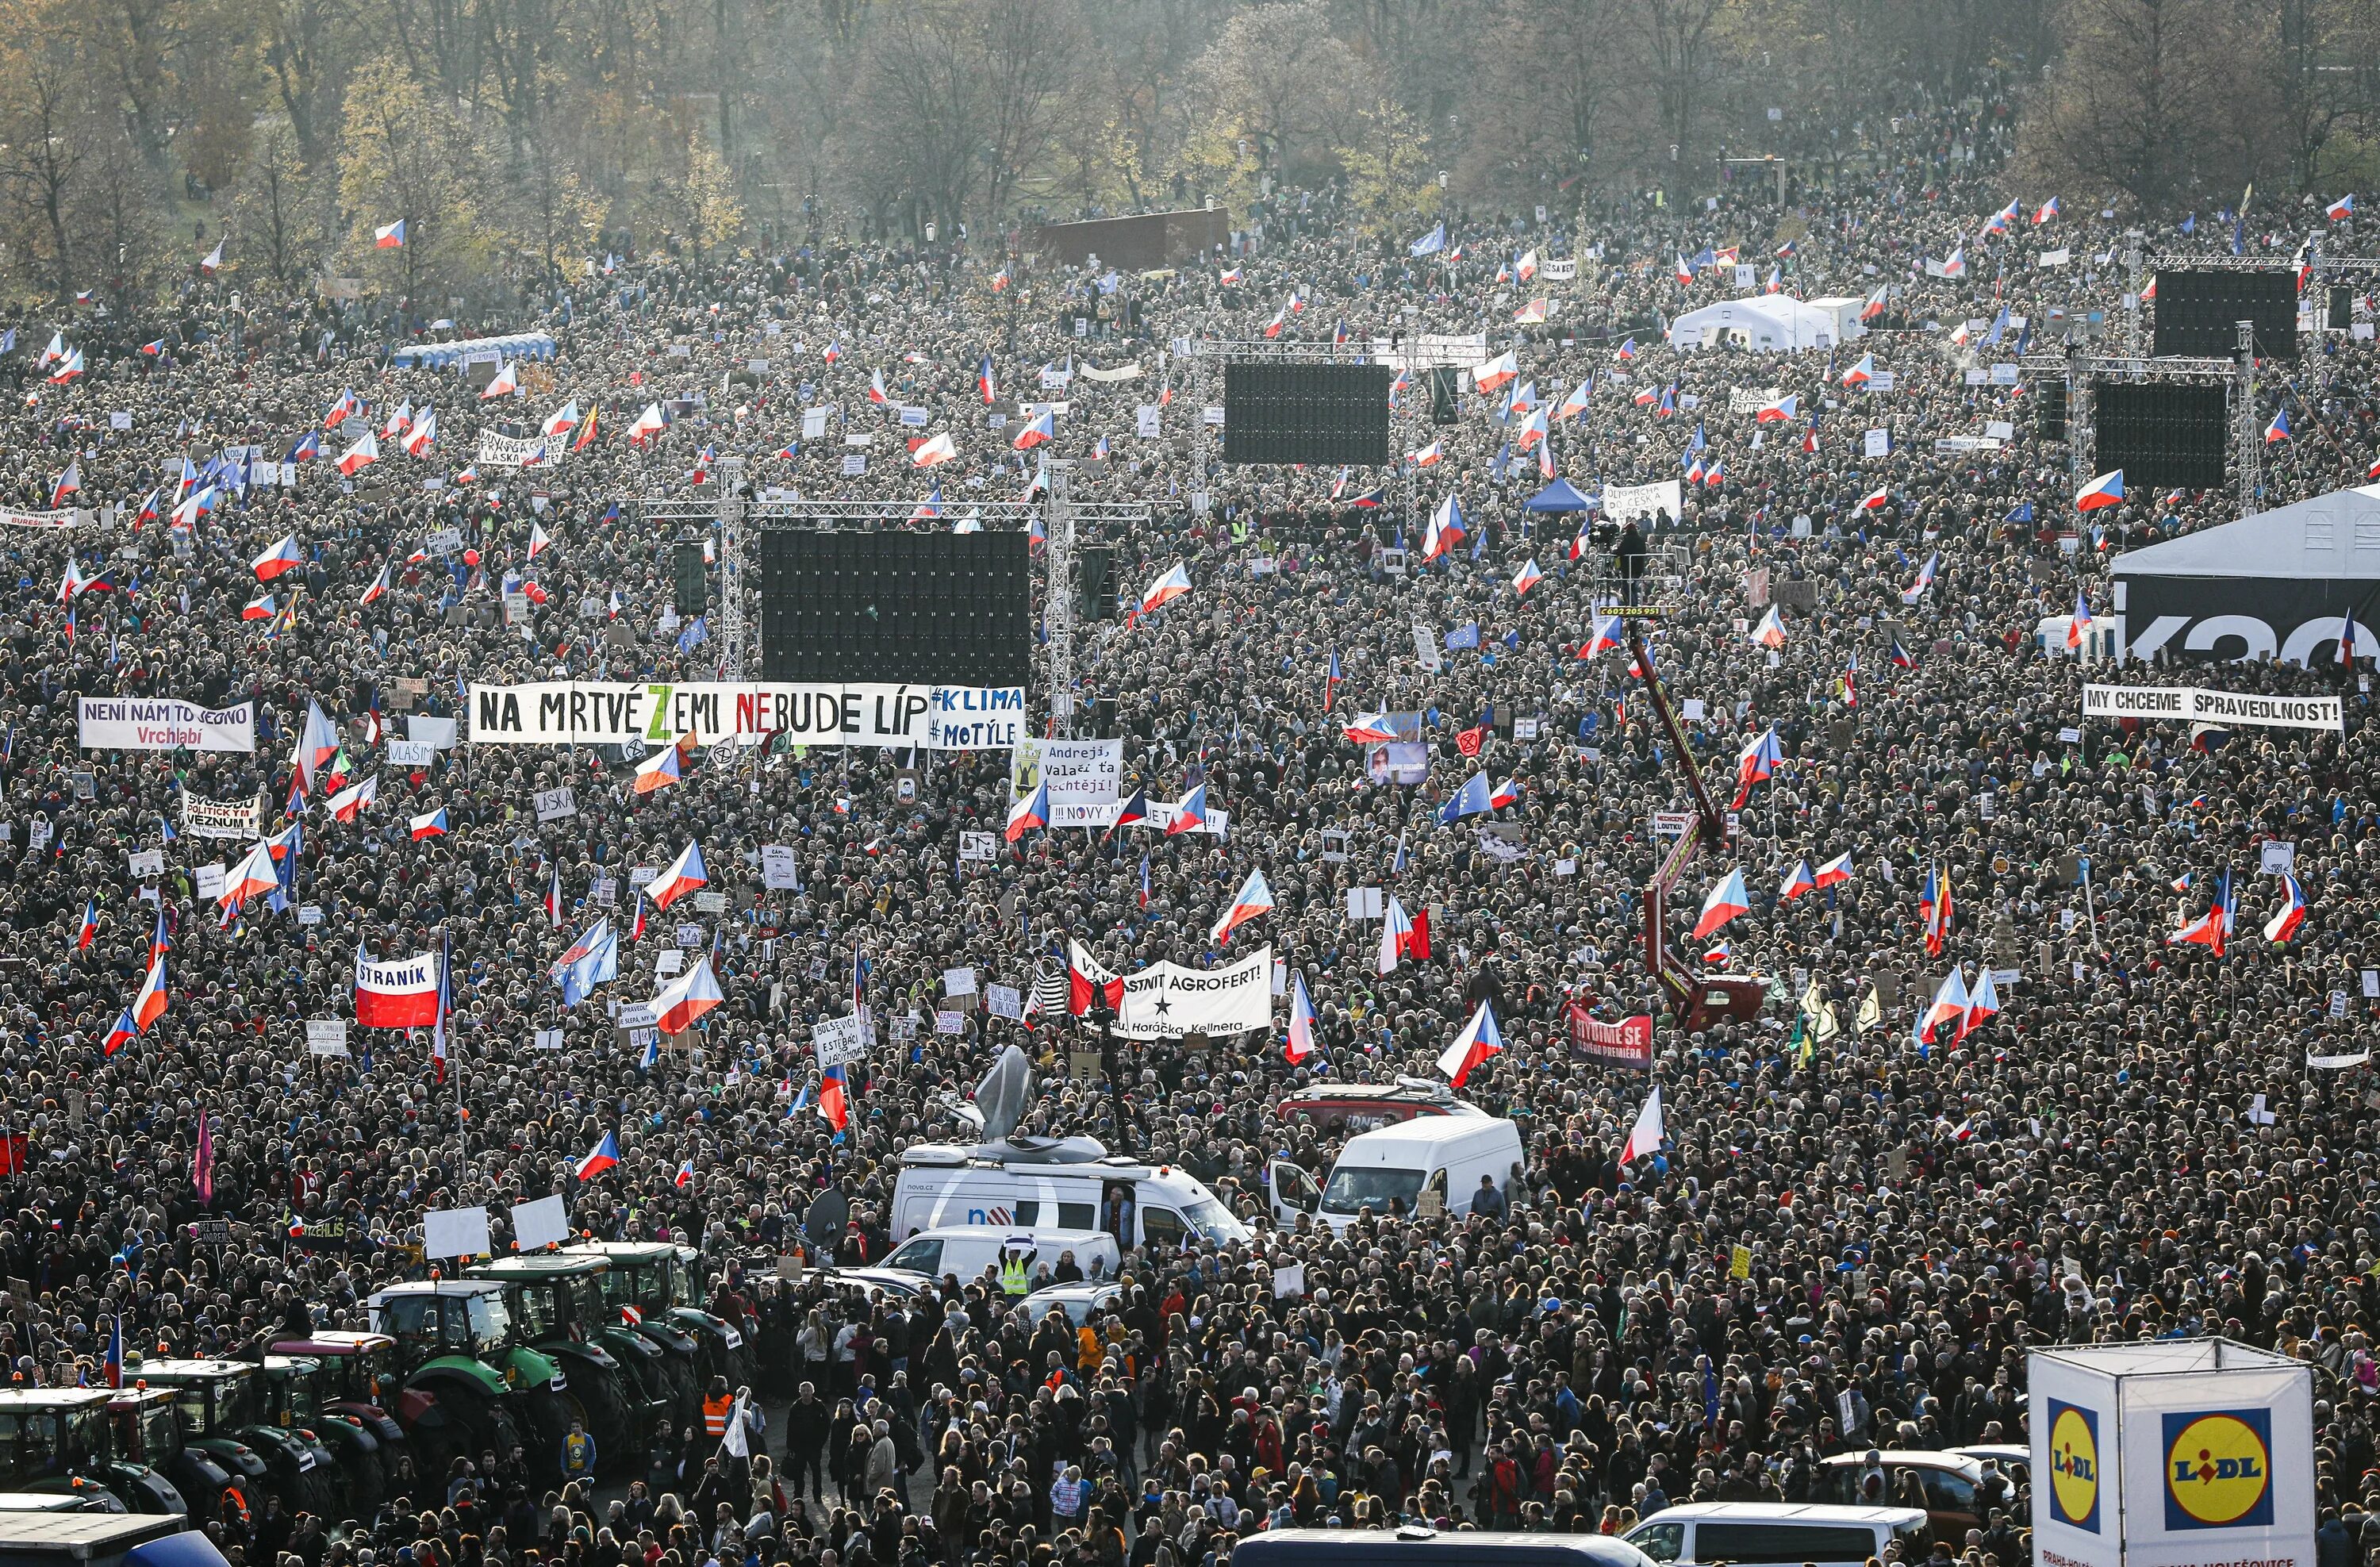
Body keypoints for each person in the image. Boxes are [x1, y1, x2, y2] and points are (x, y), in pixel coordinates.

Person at [559, 1419, 597, 1484]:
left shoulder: (588, 1438)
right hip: (571, 1471)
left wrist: (587, 1468)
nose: (575, 1429)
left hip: (583, 1471)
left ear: (581, 1427)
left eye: (577, 1426)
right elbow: (564, 1456)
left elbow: (593, 1455)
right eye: (573, 1427)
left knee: (583, 1492)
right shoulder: (566, 1439)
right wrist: (564, 1472)